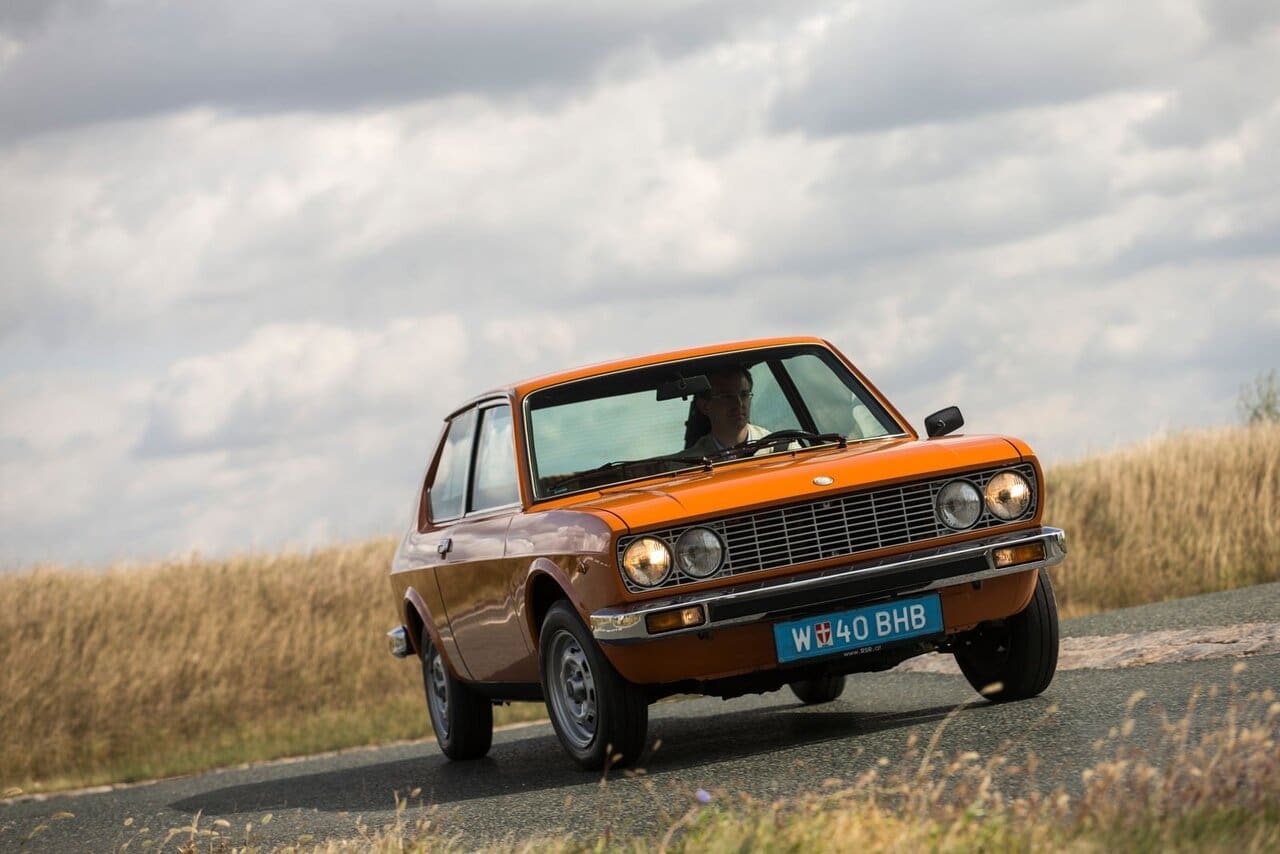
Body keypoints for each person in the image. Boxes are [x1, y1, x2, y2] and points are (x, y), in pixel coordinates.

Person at [683, 365, 770, 456]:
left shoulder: (774, 448)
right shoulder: (690, 462)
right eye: (727, 397)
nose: (739, 403)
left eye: (744, 395)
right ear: (705, 406)